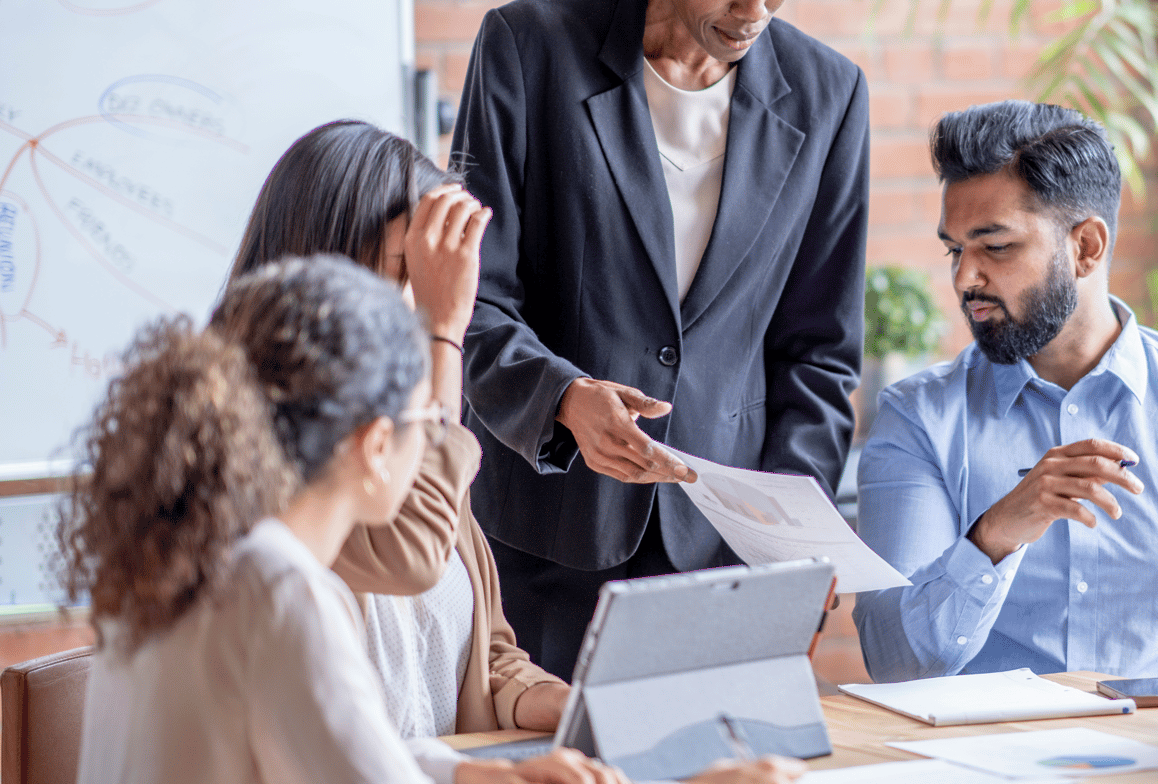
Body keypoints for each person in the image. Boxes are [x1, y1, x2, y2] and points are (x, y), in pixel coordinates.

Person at [68, 256, 806, 783]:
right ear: (376, 445)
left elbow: (343, 747)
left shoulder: (195, 561)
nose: (446, 447)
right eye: (431, 419)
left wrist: (462, 775)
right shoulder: (277, 587)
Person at [455, 0, 867, 680]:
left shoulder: (830, 96)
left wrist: (795, 533)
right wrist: (563, 398)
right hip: (550, 542)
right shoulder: (528, 51)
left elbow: (820, 351)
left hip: (726, 553)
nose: (757, 6)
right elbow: (470, 301)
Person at [853, 101, 1158, 688]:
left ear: (1086, 247)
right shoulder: (917, 419)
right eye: (955, 250)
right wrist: (996, 534)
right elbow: (895, 662)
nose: (965, 278)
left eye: (995, 247)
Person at [229, 119, 566, 735]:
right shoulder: (250, 442)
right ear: (328, 267)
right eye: (405, 271)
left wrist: (554, 702)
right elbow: (410, 558)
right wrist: (443, 331)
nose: (420, 298)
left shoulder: (400, 418)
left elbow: (484, 650)